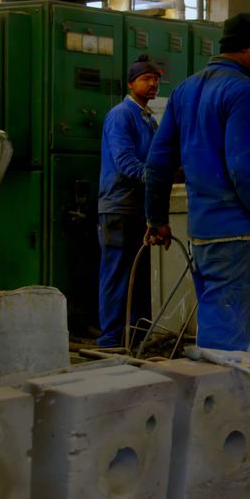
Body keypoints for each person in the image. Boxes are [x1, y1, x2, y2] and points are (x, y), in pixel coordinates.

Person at [143, 12, 250, 352]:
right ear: (245, 48)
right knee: (228, 334)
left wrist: (157, 219)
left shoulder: (184, 91)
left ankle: (208, 395)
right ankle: (220, 400)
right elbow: (244, 169)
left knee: (214, 317)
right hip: (237, 233)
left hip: (202, 232)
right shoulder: (243, 92)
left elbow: (158, 161)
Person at [96, 54, 162, 347]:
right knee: (117, 274)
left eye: (156, 80)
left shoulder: (149, 119)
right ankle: (111, 338)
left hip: (139, 208)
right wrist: (155, 178)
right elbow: (125, 160)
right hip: (118, 207)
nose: (153, 85)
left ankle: (133, 335)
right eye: (146, 79)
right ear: (130, 83)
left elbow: (160, 158)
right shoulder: (121, 115)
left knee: (138, 275)